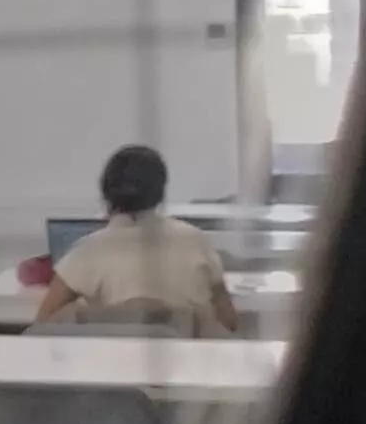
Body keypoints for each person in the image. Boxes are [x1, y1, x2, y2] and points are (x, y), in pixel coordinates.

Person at [34, 143, 240, 336]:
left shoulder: (89, 250)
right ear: (160, 192)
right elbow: (228, 320)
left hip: (116, 365)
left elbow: (44, 326)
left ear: (107, 194)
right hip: (193, 365)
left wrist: (85, 312)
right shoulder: (196, 240)